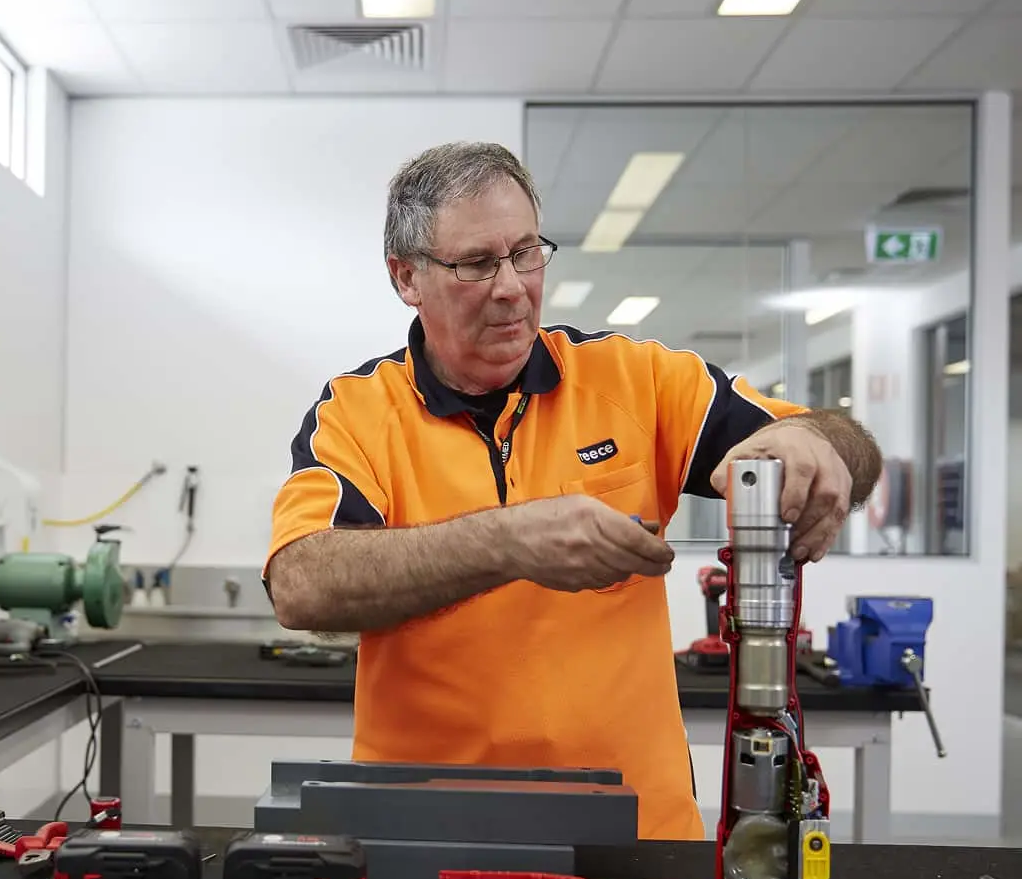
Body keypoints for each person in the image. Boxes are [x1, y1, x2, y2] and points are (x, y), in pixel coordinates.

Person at [263, 141, 883, 840]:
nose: (511, 286)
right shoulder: (359, 411)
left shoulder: (636, 381)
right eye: (476, 263)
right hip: (422, 833)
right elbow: (302, 584)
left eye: (527, 253)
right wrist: (507, 541)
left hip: (635, 833)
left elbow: (846, 447)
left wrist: (814, 444)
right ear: (406, 277)